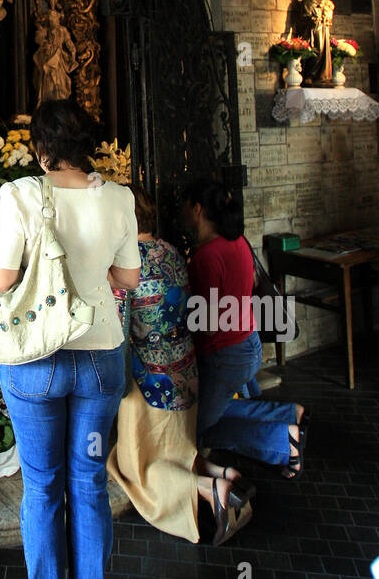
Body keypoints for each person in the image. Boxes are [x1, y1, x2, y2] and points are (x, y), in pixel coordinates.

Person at [0, 98, 140, 579]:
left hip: (37, 362)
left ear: (42, 148)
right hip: (100, 357)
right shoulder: (119, 198)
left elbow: (1, 281)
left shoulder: (22, 194)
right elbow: (127, 276)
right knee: (90, 484)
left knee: (42, 488)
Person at [107, 185, 254, 547]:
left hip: (149, 383)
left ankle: (211, 488)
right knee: (178, 451)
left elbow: (118, 326)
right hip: (186, 373)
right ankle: (224, 472)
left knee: (136, 467)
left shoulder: (124, 264)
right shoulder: (171, 251)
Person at [184, 178, 309, 478]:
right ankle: (288, 414)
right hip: (248, 342)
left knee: (196, 430)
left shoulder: (205, 257)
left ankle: (282, 442)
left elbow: (209, 321)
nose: (182, 212)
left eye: (185, 207)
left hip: (226, 354)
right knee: (216, 411)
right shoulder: (238, 242)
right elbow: (250, 284)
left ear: (197, 210)